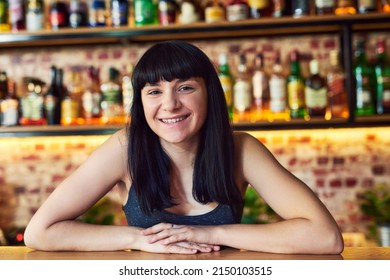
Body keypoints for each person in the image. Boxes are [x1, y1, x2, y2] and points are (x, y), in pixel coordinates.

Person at [24, 40, 344, 254]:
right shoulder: (125, 148)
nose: (170, 105)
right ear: (141, 101)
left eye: (185, 87)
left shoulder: (242, 149)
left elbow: (325, 237)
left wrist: (209, 235)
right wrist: (140, 239)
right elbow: (39, 232)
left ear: (210, 93)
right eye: (154, 91)